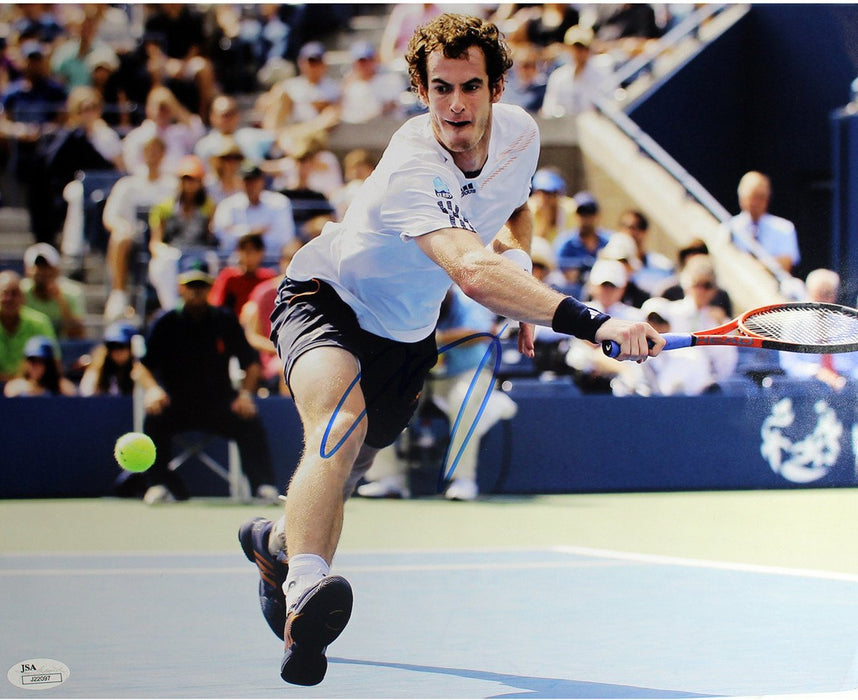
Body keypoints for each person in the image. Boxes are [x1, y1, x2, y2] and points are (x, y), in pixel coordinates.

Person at [236, 13, 662, 687]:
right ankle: (306, 596)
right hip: (326, 299)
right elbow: (468, 270)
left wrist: (518, 265)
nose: (455, 104)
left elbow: (508, 210)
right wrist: (591, 322)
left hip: (406, 337)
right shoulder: (414, 163)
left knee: (343, 471)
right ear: (421, 88)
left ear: (496, 88)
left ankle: (278, 548)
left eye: (470, 86)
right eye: (440, 88)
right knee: (336, 429)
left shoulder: (519, 134)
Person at [118, 256, 280, 505]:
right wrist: (152, 390)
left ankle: (263, 486)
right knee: (154, 419)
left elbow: (251, 364)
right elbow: (142, 368)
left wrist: (245, 395)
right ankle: (158, 485)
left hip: (219, 404)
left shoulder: (225, 320)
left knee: (250, 421)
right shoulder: (165, 322)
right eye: (190, 285)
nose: (196, 292)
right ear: (180, 287)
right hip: (175, 403)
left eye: (201, 285)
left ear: (210, 287)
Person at [358, 285, 518, 501]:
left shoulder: (468, 301)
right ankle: (388, 479)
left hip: (466, 373)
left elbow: (482, 333)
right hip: (422, 376)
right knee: (378, 400)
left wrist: (437, 338)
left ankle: (462, 479)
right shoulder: (413, 301)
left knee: (464, 400)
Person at [102, 135, 177, 322]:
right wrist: (123, 227)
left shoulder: (173, 186)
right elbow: (110, 217)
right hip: (133, 240)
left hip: (164, 243)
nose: (153, 155)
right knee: (120, 238)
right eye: (149, 150)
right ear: (143, 154)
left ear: (164, 154)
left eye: (157, 150)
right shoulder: (127, 185)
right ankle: (118, 295)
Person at [146, 154, 218, 312]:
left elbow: (211, 237)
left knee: (213, 260)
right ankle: (171, 310)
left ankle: (211, 307)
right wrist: (165, 252)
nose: (189, 184)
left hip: (198, 254)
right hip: (173, 254)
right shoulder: (164, 207)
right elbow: (155, 242)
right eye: (185, 179)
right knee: (165, 263)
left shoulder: (208, 207)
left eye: (193, 179)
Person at [239, 240, 302, 395]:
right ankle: (288, 416)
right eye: (290, 259)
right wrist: (278, 350)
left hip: (303, 351)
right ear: (282, 261)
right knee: (286, 368)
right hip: (273, 359)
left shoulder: (314, 291)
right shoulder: (264, 292)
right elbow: (252, 336)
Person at [779, 269, 858, 391]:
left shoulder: (848, 324)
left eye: (828, 293)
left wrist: (840, 378)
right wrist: (818, 372)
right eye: (819, 292)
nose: (824, 298)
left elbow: (854, 364)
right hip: (805, 389)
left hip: (845, 388)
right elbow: (789, 365)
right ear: (808, 292)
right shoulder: (793, 322)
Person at [211, 161, 296, 258]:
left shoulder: (279, 202)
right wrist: (254, 231)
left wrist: (239, 232)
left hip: (272, 261)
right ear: (239, 182)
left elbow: (283, 238)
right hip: (236, 263)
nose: (251, 185)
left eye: (254, 180)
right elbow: (223, 236)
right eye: (247, 181)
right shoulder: (227, 205)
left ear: (262, 181)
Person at [722, 171, 800, 274]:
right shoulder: (728, 228)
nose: (755, 203)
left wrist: (752, 267)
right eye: (752, 197)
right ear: (741, 198)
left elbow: (785, 264)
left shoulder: (784, 228)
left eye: (760, 197)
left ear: (768, 198)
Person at [121, 85, 206, 178]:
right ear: (148, 109)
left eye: (165, 108)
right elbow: (131, 167)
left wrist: (174, 106)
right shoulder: (136, 136)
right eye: (158, 107)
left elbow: (198, 131)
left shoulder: (179, 133)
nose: (162, 112)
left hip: (177, 183)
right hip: (147, 184)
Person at [0, 270, 58, 383]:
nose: (9, 298)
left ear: (23, 298)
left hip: (32, 390)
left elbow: (54, 365)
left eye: (14, 293)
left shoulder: (40, 322)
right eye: (4, 293)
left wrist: (23, 385)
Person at [19, 242, 86, 340]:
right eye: (38, 267)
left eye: (47, 267)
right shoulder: (19, 292)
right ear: (28, 271)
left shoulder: (72, 293)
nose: (42, 272)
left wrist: (60, 299)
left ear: (57, 270)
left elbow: (78, 335)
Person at [540, 26, 609, 119]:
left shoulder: (602, 75)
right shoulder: (558, 77)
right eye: (575, 48)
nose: (579, 53)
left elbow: (610, 107)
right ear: (568, 49)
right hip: (563, 128)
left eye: (583, 48)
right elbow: (548, 110)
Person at [209, 232, 277, 319]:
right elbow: (217, 305)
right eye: (244, 250)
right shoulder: (228, 277)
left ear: (261, 253)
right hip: (233, 327)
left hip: (261, 327)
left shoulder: (269, 278)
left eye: (253, 250)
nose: (248, 255)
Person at [554, 190, 613, 288]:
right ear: (575, 215)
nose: (586, 218)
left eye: (590, 213)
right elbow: (560, 270)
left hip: (603, 289)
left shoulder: (609, 241)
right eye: (582, 213)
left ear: (597, 215)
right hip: (573, 292)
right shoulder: (564, 242)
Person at [339, 40, 406, 125]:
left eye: (369, 59)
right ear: (354, 63)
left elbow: (394, 106)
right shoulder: (350, 87)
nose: (366, 64)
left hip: (387, 127)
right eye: (362, 61)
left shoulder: (391, 80)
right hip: (358, 130)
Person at [614, 209, 674, 296]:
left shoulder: (663, 266)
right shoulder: (608, 260)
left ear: (644, 232)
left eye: (633, 227)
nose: (627, 232)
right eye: (623, 226)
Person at [79, 321, 139, 397]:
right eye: (112, 346)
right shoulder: (100, 366)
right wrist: (94, 372)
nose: (117, 351)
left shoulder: (141, 368)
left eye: (121, 346)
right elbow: (86, 394)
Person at [3, 335, 76, 397]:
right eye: (31, 360)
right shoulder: (15, 387)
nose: (35, 365)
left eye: (40, 361)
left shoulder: (63, 387)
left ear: (49, 364)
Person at [526, 167, 578, 245]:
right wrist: (545, 220)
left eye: (553, 193)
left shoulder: (571, 208)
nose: (548, 198)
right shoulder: (527, 210)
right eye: (543, 192)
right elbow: (535, 246)